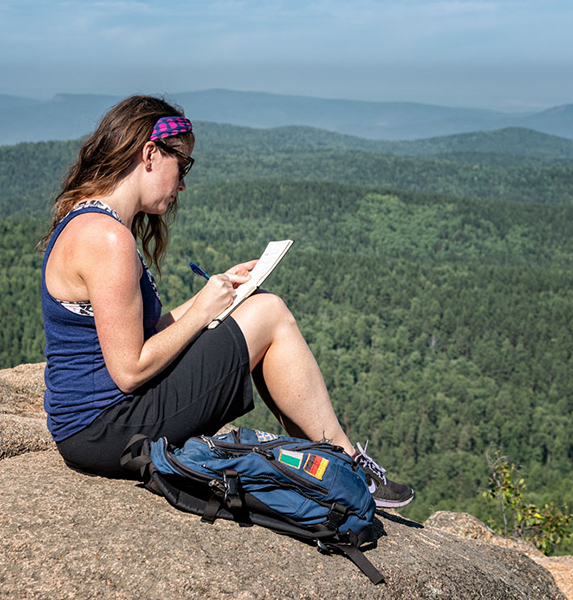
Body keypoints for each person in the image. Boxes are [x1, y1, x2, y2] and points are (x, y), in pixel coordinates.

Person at [39, 94, 413, 508]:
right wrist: (202, 311)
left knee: (257, 306)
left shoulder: (92, 221)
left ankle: (331, 463)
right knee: (269, 312)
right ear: (150, 154)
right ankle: (346, 464)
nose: (182, 183)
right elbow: (129, 370)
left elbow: (140, 336)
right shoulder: (107, 238)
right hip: (108, 428)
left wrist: (215, 297)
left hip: (96, 423)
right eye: (183, 166)